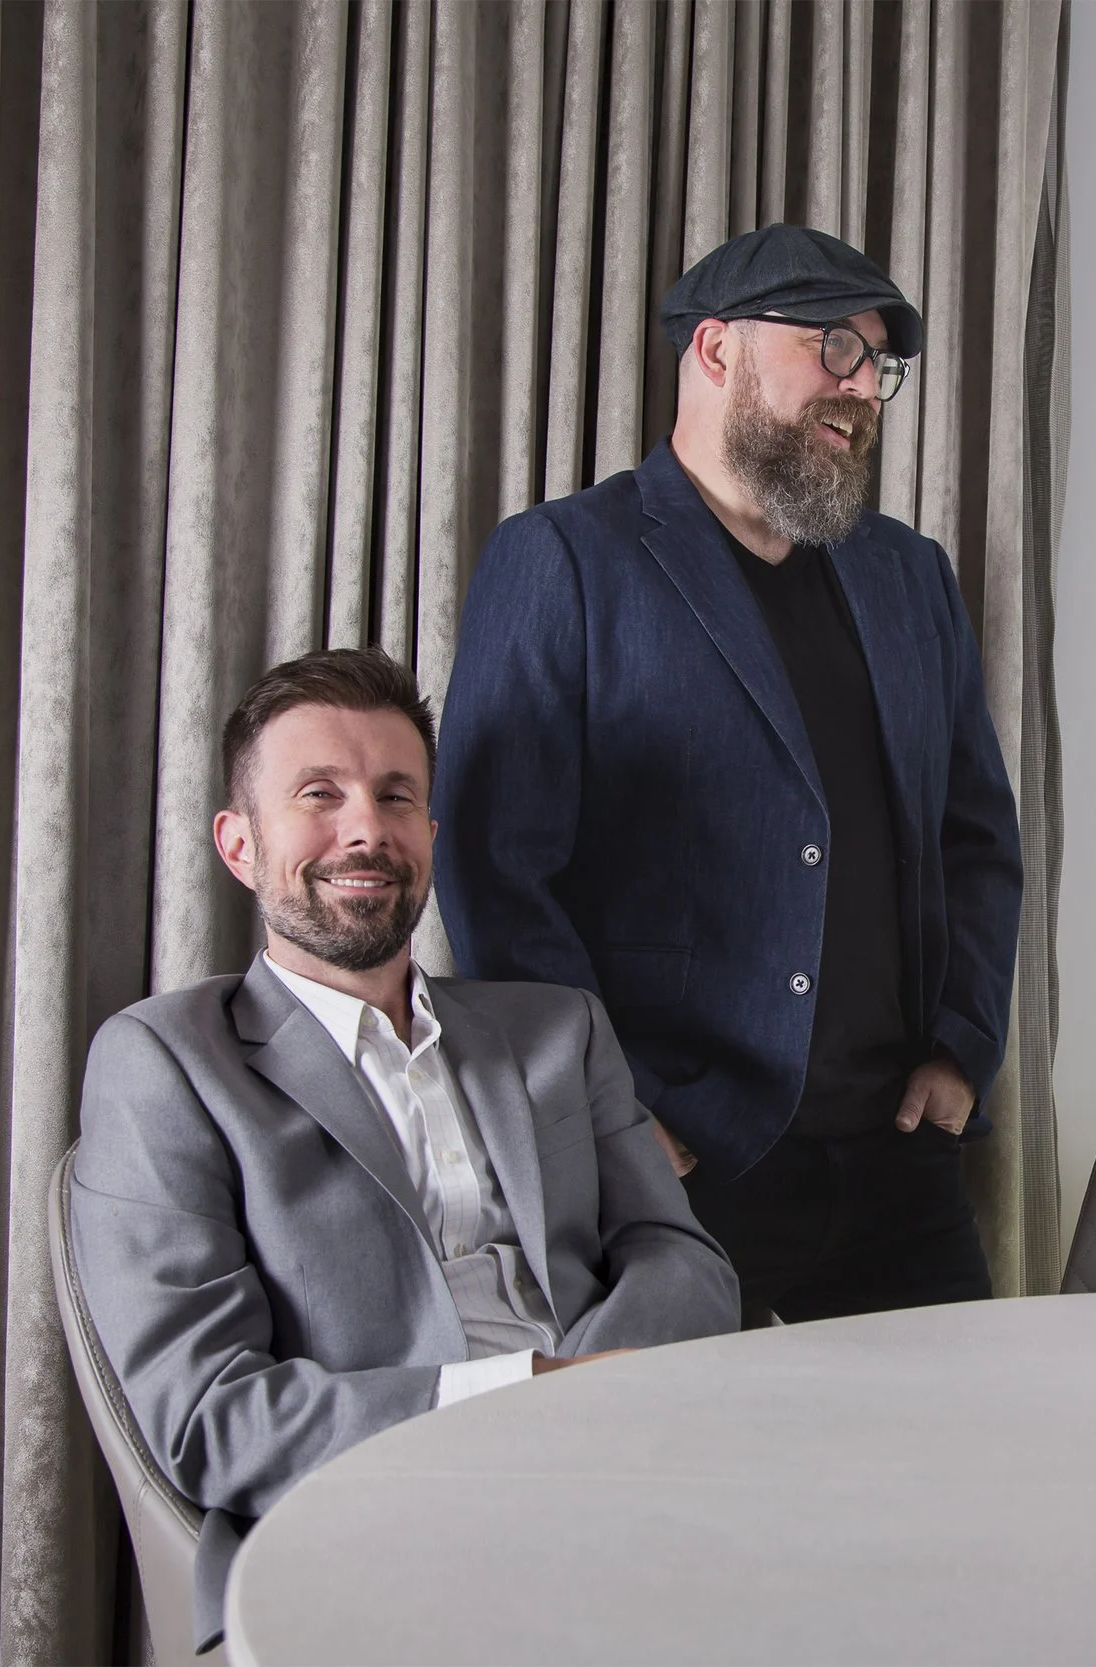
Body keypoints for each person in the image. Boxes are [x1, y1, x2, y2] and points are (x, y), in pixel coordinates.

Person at [71, 649, 738, 1653]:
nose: (365, 830)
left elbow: (684, 1261)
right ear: (239, 842)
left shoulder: (558, 1027)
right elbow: (209, 1414)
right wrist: (518, 1401)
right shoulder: (166, 1063)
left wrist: (588, 1403)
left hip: (626, 1484)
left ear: (431, 833)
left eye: (395, 796)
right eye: (319, 794)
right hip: (365, 1527)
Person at [434, 224, 1021, 1328]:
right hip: (688, 1162)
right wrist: (618, 1114)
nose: (865, 392)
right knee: (693, 1490)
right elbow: (498, 875)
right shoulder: (563, 558)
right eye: (833, 352)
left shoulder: (910, 576)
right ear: (715, 349)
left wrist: (962, 1043)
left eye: (879, 366)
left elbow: (975, 836)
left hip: (902, 1158)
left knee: (948, 1477)